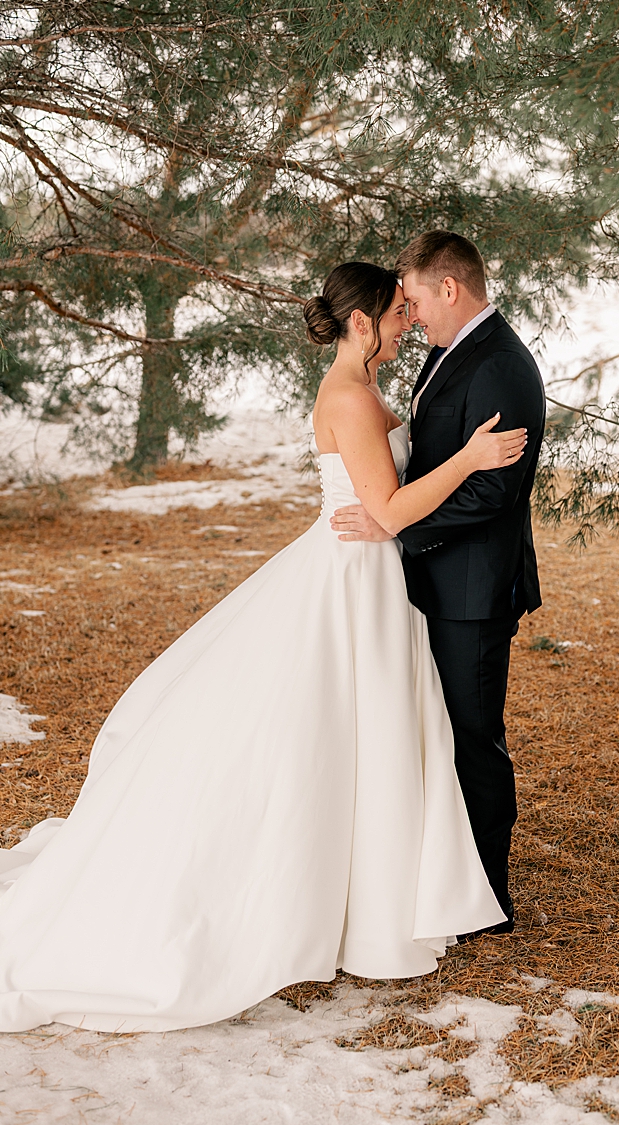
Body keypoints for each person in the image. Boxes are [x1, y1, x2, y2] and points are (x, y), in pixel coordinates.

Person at [0, 261, 528, 1032]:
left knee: (364, 738)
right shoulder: (348, 396)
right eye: (394, 313)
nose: (406, 322)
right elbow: (383, 510)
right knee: (335, 735)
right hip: (353, 576)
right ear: (360, 324)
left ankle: (367, 896)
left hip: (374, 583)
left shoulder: (368, 387)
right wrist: (469, 459)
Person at [329, 231, 546, 935]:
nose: (412, 314)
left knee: (474, 737)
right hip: (424, 581)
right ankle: (443, 881)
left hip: (470, 590)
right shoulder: (447, 355)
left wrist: (396, 528)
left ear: (448, 288)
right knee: (435, 732)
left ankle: (487, 900)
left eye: (416, 299)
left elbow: (493, 494)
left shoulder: (503, 366)